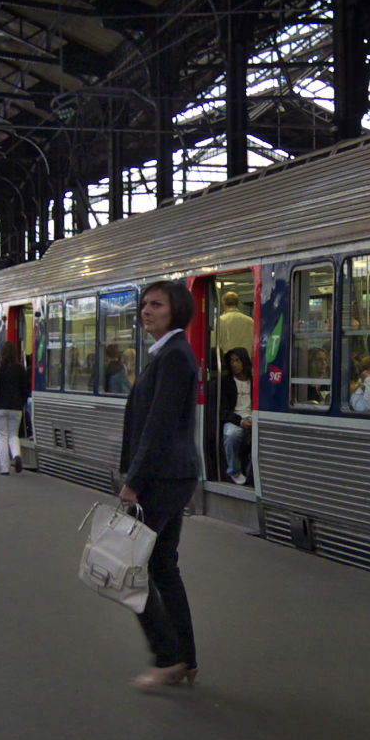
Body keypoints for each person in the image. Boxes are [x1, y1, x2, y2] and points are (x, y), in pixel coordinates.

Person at [117, 280, 203, 691]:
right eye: (144, 304)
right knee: (163, 568)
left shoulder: (172, 357)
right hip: (174, 474)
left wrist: (133, 482)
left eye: (156, 305)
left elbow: (158, 426)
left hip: (162, 477)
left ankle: (168, 657)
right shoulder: (170, 354)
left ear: (176, 311)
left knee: (129, 569)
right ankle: (185, 660)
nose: (146, 311)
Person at [0, 341, 30, 474]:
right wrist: (21, 402)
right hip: (16, 408)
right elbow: (25, 389)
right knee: (13, 435)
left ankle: (4, 468)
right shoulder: (20, 368)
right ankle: (16, 455)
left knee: (2, 436)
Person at [219, 347, 254, 485]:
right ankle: (234, 471)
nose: (234, 364)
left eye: (237, 360)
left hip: (253, 418)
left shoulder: (254, 380)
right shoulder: (226, 383)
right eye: (232, 361)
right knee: (231, 435)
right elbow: (223, 411)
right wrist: (240, 421)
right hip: (235, 420)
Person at [214, 291, 254, 362]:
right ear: (238, 304)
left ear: (223, 303)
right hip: (246, 363)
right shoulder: (250, 321)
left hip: (226, 363)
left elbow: (213, 346)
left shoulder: (219, 321)